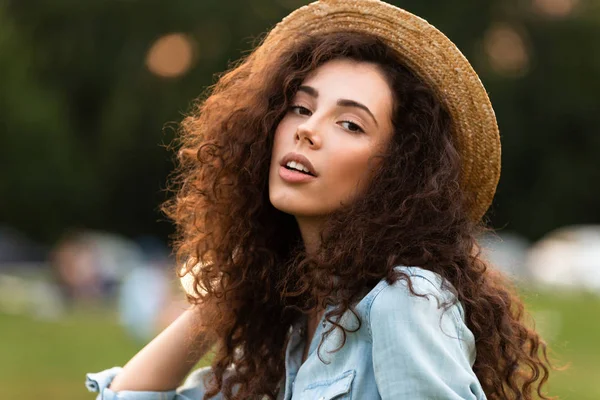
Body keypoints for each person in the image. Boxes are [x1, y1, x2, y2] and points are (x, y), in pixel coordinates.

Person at [86, 1, 554, 399]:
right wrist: (229, 295)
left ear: (396, 170)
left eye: (350, 123)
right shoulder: (290, 325)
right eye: (301, 107)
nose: (307, 130)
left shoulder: (403, 302)